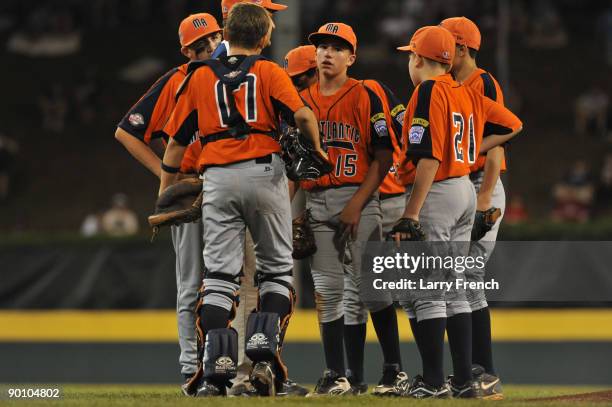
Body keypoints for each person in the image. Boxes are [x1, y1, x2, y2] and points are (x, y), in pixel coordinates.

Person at [160, 3, 324, 397]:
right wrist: (317, 151)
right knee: (276, 272)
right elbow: (302, 117)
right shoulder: (269, 70)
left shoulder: (198, 76)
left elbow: (176, 143)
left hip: (217, 176)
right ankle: (263, 355)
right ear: (265, 37)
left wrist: (165, 190)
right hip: (265, 173)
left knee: (218, 278)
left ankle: (216, 371)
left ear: (226, 35)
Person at [391, 25, 522, 398]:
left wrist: (411, 212)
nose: (410, 62)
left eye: (411, 55)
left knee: (431, 291)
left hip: (438, 191)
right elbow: (513, 123)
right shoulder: (465, 91)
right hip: (465, 188)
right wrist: (471, 149)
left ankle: (434, 382)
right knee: (456, 289)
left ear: (418, 57)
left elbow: (428, 157)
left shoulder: (427, 90)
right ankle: (464, 379)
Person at [115, 12, 223, 397]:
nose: (208, 48)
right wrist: (168, 177)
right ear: (186, 52)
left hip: (229, 186)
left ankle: (228, 365)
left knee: (232, 281)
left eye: (212, 39)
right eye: (199, 46)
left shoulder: (236, 75)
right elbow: (127, 132)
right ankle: (191, 367)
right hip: (191, 190)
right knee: (191, 283)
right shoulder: (176, 81)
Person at [293, 22, 396, 395]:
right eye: (322, 46)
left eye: (337, 48)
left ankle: (393, 369)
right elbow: (295, 162)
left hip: (360, 197)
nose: (327, 53)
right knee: (328, 289)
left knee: (372, 289)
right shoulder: (300, 100)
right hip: (318, 200)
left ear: (351, 57)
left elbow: (384, 157)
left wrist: (356, 204)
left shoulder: (365, 94)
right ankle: (336, 373)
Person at [440, 16, 508, 399]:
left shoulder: (481, 82)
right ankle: (467, 371)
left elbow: (496, 145)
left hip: (481, 183)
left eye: (448, 44)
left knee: (467, 281)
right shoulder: (450, 85)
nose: (442, 51)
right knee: (454, 282)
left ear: (462, 48)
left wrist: (484, 200)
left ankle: (484, 371)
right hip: (460, 185)